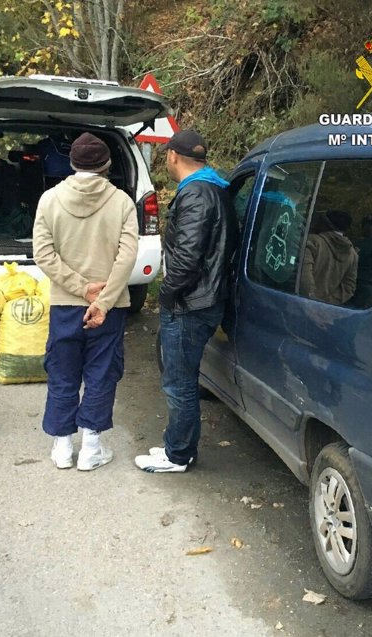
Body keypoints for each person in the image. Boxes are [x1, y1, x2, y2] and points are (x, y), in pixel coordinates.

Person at [33, 132, 138, 471]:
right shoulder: (122, 202)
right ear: (107, 165)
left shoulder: (49, 199)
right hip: (110, 308)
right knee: (101, 372)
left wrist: (79, 288)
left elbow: (43, 255)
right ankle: (92, 448)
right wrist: (102, 299)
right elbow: (127, 257)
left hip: (65, 304)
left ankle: (63, 448)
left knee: (63, 371)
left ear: (72, 163)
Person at [134, 129, 237, 473]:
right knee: (184, 379)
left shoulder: (195, 194)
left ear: (173, 157)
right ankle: (181, 446)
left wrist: (167, 295)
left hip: (190, 304)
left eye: (167, 156)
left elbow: (187, 257)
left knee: (179, 383)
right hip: (206, 299)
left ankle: (177, 454)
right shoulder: (217, 189)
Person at [299, 209, 358, 305]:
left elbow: (304, 278)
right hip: (324, 312)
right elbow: (348, 288)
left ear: (325, 223)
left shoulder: (312, 241)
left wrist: (312, 301)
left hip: (301, 304)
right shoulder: (353, 255)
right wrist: (325, 304)